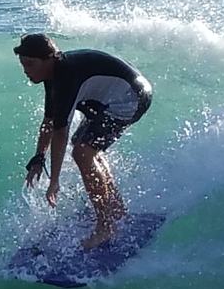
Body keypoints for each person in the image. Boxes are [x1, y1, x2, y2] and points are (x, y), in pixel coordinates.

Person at [14, 33, 153, 249]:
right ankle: (116, 210)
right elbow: (49, 122)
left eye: (31, 64)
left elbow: (60, 133)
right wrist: (38, 157)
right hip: (115, 99)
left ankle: (106, 227)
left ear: (49, 58)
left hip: (131, 98)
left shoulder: (66, 76)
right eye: (23, 65)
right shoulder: (52, 76)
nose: (26, 71)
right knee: (86, 147)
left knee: (82, 151)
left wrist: (54, 181)